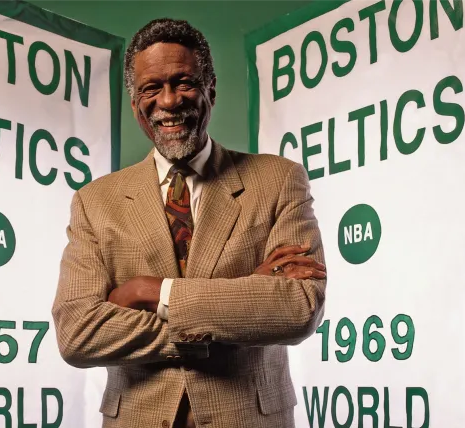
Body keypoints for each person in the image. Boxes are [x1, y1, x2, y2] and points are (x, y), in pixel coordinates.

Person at [53, 18, 327, 428]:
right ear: (135, 103)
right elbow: (77, 333)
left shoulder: (278, 180)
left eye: (184, 83)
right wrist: (238, 299)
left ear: (210, 90)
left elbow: (297, 308)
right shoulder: (95, 202)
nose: (168, 102)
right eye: (151, 88)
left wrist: (150, 291)